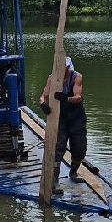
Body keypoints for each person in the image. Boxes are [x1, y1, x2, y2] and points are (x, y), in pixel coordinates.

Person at [39, 55, 87, 195]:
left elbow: (78, 97)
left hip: (76, 116)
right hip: (60, 117)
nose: (61, 70)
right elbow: (43, 96)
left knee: (79, 147)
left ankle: (73, 172)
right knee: (58, 147)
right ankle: (54, 180)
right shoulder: (51, 78)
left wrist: (66, 98)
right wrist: (43, 104)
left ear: (68, 68)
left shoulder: (76, 77)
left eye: (64, 68)